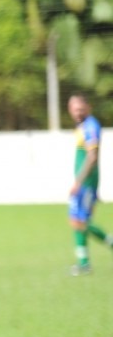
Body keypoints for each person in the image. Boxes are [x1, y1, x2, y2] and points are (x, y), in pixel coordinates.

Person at [66, 93, 110, 275]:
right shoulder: (82, 127)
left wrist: (79, 181)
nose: (77, 112)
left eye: (80, 109)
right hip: (85, 183)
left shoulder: (91, 126)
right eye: (74, 109)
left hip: (87, 183)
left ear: (88, 108)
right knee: (76, 219)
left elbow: (92, 157)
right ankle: (83, 262)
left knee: (81, 220)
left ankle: (84, 263)